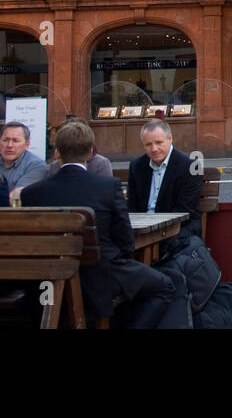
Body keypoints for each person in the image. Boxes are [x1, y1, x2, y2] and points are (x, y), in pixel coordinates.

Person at [21, 121, 174, 328]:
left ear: (57, 153)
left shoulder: (31, 193)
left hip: (47, 280)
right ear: (90, 152)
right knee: (164, 287)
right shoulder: (107, 187)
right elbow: (125, 240)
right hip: (100, 275)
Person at [127, 118, 203, 238]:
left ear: (170, 139)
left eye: (158, 142)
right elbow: (132, 206)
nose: (154, 149)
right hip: (140, 230)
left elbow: (184, 211)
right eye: (148, 144)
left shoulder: (190, 167)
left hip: (176, 231)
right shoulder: (136, 166)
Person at [0, 121, 47, 203]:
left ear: (27, 144)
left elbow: (16, 197)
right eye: (6, 140)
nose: (9, 145)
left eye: (15, 141)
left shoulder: (36, 165)